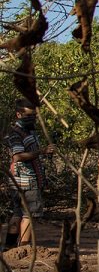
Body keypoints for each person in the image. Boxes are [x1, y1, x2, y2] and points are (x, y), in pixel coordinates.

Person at [5, 103, 46, 253]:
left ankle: (9, 248)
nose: (32, 119)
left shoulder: (29, 132)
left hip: (22, 180)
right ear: (18, 115)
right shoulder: (16, 133)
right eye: (28, 116)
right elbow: (17, 156)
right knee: (29, 215)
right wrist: (41, 152)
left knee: (17, 213)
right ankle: (23, 248)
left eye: (34, 115)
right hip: (25, 180)